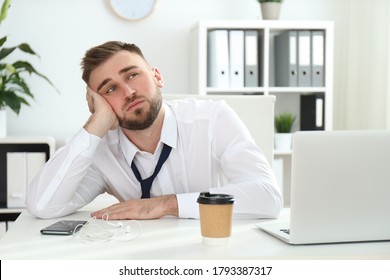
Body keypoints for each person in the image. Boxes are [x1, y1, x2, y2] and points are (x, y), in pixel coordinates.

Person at [26, 41, 282, 220]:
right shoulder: (100, 151)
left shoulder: (211, 118)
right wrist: (96, 123)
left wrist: (164, 205)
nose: (128, 92)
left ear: (157, 77)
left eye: (132, 75)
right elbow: (43, 205)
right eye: (110, 89)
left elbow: (267, 197)